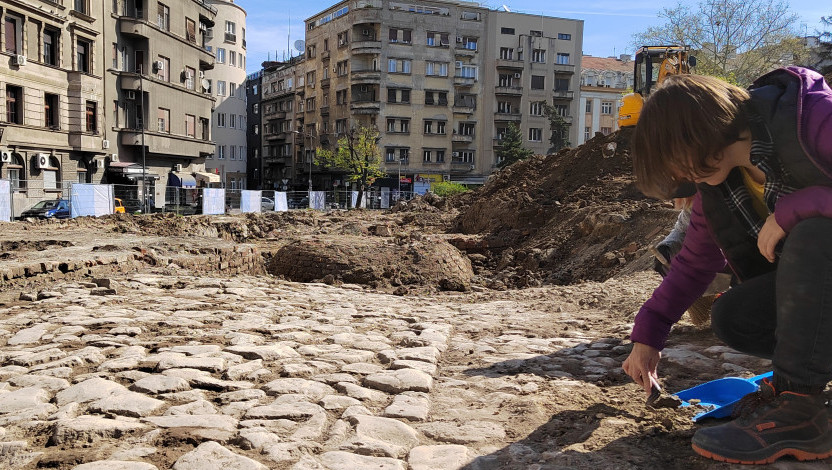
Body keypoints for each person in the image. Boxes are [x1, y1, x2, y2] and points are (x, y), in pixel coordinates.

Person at [622, 67, 832, 464]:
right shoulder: (720, 186)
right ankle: (805, 390)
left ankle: (800, 408)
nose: (679, 176)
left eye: (674, 160)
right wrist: (648, 336)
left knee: (815, 234)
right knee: (736, 315)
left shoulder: (813, 119)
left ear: (697, 134)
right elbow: (692, 265)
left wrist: (794, 211)